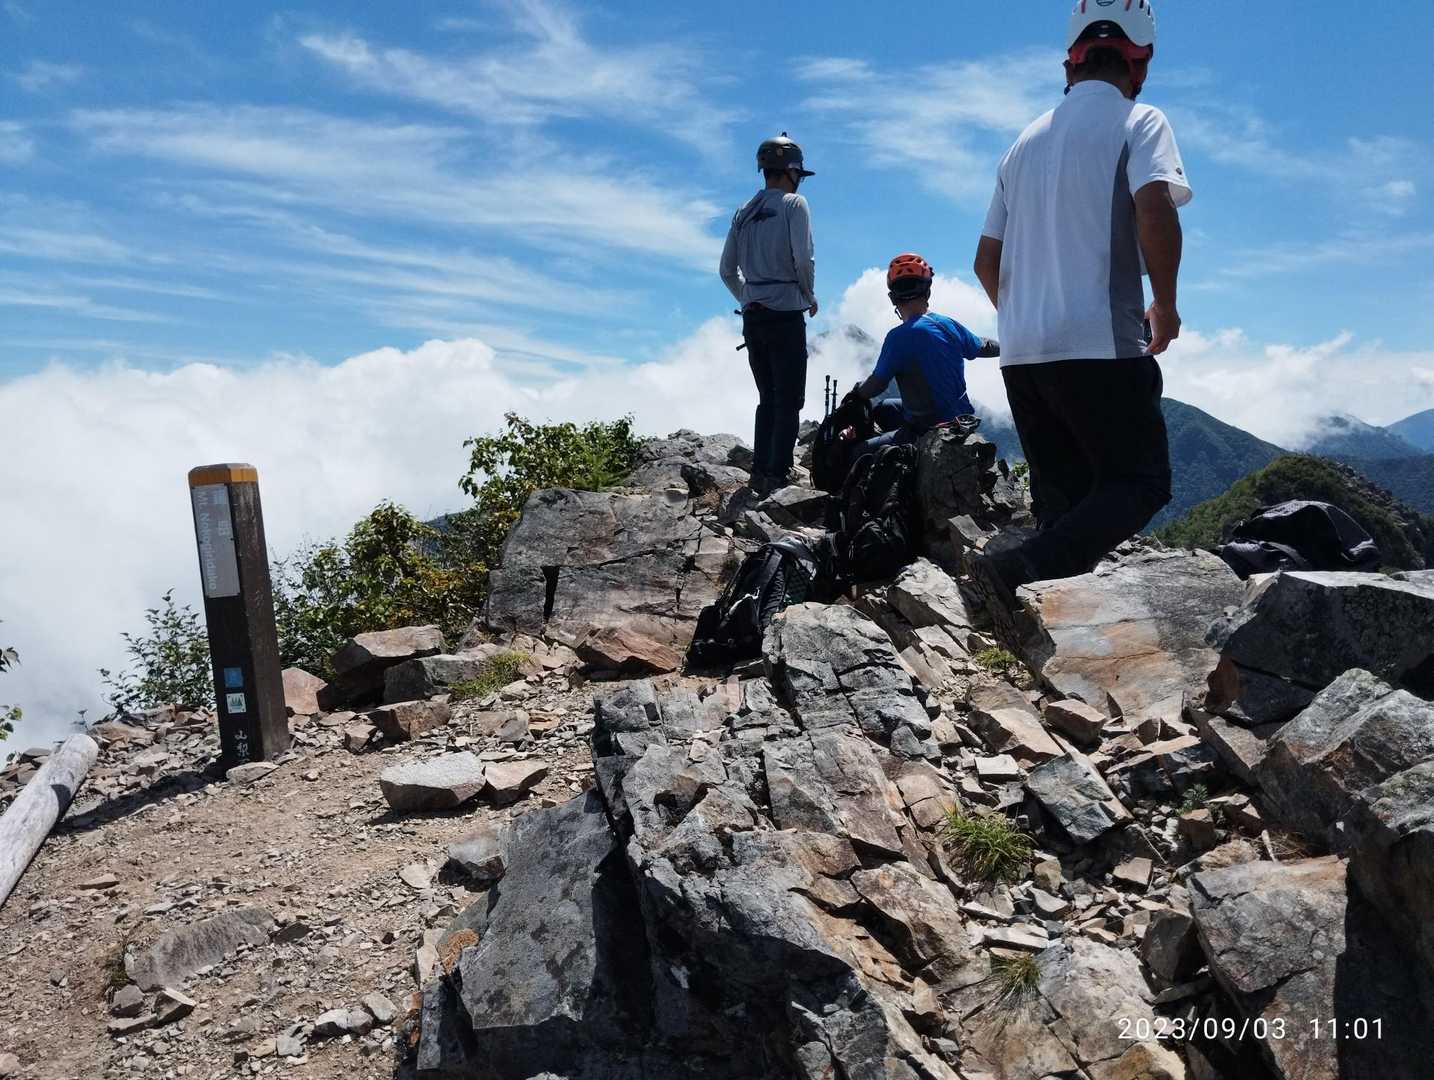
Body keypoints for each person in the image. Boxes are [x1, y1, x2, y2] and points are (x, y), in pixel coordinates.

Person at [970, 0, 1190, 622]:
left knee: (1063, 497)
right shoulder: (1140, 120)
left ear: (1070, 64)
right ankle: (1018, 573)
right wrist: (1166, 305)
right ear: (1139, 64)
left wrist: (1023, 316)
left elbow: (986, 260)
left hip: (1021, 353)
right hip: (1099, 342)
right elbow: (1154, 208)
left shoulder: (1022, 143)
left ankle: (1040, 622)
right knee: (1140, 482)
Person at [720, 133, 818, 497]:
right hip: (786, 312)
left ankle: (759, 471)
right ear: (791, 171)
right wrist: (808, 294)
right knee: (789, 398)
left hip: (753, 316)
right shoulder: (795, 204)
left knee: (767, 396)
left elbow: (726, 270)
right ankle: (776, 476)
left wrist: (749, 298)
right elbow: (802, 259)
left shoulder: (742, 212)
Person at [843, 253, 998, 458]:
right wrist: (1011, 346)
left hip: (925, 428)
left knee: (855, 453)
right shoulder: (947, 324)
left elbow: (877, 384)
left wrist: (856, 394)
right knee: (885, 408)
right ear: (928, 291)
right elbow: (984, 346)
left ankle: (905, 454)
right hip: (961, 419)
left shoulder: (897, 338)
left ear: (893, 298)